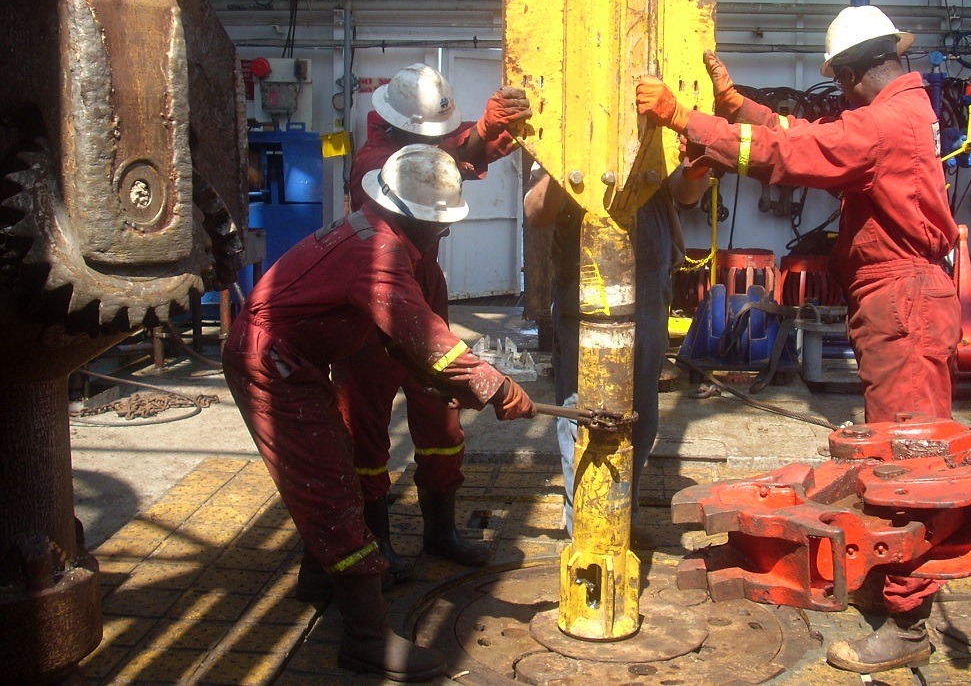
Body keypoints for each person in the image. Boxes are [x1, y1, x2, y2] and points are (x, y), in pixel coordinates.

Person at [636, 8, 960, 675]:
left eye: (840, 83)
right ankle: (888, 582)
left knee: (907, 463)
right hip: (897, 299)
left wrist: (684, 120)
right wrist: (739, 109)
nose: (840, 95)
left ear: (852, 74)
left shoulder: (886, 123)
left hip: (903, 301)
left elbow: (795, 154)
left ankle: (908, 622)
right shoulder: (900, 110)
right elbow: (812, 136)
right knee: (889, 452)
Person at [223, 145, 537, 682]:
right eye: (439, 224)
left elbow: (401, 340)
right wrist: (494, 384)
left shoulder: (373, 231)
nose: (444, 233)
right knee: (329, 487)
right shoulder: (380, 253)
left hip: (292, 358)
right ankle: (365, 639)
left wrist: (450, 385)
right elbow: (426, 335)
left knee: (330, 472)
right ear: (415, 218)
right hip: (273, 364)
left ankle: (320, 579)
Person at [331, 63, 530, 582]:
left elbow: (456, 146)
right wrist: (477, 135)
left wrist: (487, 132)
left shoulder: (426, 138)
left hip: (423, 282)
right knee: (364, 424)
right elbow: (430, 164)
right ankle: (375, 543)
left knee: (440, 412)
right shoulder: (373, 161)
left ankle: (440, 531)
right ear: (400, 126)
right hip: (375, 290)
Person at [523, 153, 709, 543]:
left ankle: (623, 516)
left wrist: (699, 160)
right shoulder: (564, 124)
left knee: (641, 413)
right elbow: (537, 213)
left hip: (649, 285)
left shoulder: (658, 125)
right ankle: (583, 527)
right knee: (579, 412)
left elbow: (687, 194)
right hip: (581, 284)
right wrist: (562, 162)